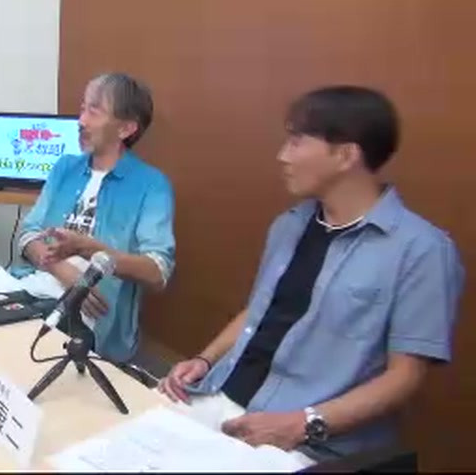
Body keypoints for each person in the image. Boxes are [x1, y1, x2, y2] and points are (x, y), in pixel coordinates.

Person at [158, 86, 464, 464]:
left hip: (304, 442)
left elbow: (405, 377)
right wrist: (204, 361)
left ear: (345, 155)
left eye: (296, 141)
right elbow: (259, 311)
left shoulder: (422, 250)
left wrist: (303, 424)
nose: (282, 156)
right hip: (219, 397)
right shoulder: (290, 225)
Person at [13, 73, 176, 364]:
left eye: (94, 111)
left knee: (22, 353)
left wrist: (90, 250)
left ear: (126, 128)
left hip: (90, 322)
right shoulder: (65, 167)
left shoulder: (152, 185)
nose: (81, 120)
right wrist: (65, 272)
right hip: (33, 288)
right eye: (82, 108)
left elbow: (158, 271)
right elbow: (28, 235)